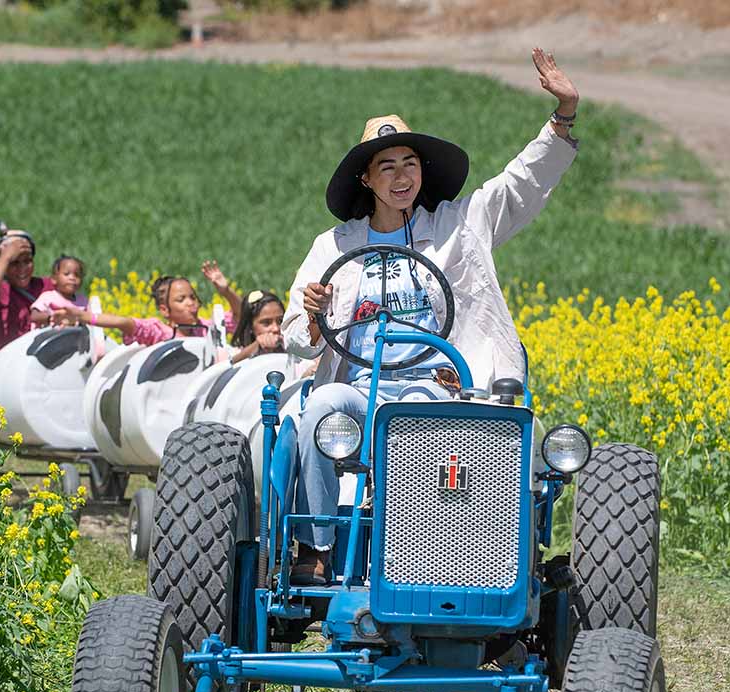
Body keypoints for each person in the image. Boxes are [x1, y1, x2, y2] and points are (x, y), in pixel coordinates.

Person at [282, 48, 580, 585]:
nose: (401, 177)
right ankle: (317, 547)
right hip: (362, 386)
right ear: (367, 180)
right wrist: (312, 315)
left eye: (410, 163)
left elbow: (518, 186)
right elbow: (297, 341)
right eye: (387, 166)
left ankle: (436, 561)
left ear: (422, 172)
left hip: (434, 384)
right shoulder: (334, 245)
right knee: (322, 404)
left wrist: (562, 117)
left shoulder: (456, 227)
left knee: (431, 424)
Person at [51, 273, 236, 344]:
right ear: (165, 310)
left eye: (193, 297)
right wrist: (80, 315)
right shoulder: (158, 332)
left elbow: (240, 318)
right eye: (181, 299)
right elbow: (124, 323)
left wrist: (226, 291)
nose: (191, 303)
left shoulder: (209, 327)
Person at [0, 226, 53, 359]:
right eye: (14, 262)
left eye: (27, 261)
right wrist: (6, 256)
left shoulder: (45, 285)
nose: (22, 268)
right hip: (5, 367)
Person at [30, 254, 96, 327]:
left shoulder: (83, 301)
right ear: (54, 279)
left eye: (77, 275)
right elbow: (34, 316)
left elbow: (92, 321)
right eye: (66, 274)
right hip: (50, 336)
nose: (72, 278)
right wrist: (51, 318)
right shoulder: (48, 297)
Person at [229, 289, 285, 364]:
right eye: (266, 323)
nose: (276, 328)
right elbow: (227, 367)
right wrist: (255, 346)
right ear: (250, 327)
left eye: (280, 321)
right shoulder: (235, 353)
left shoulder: (292, 350)